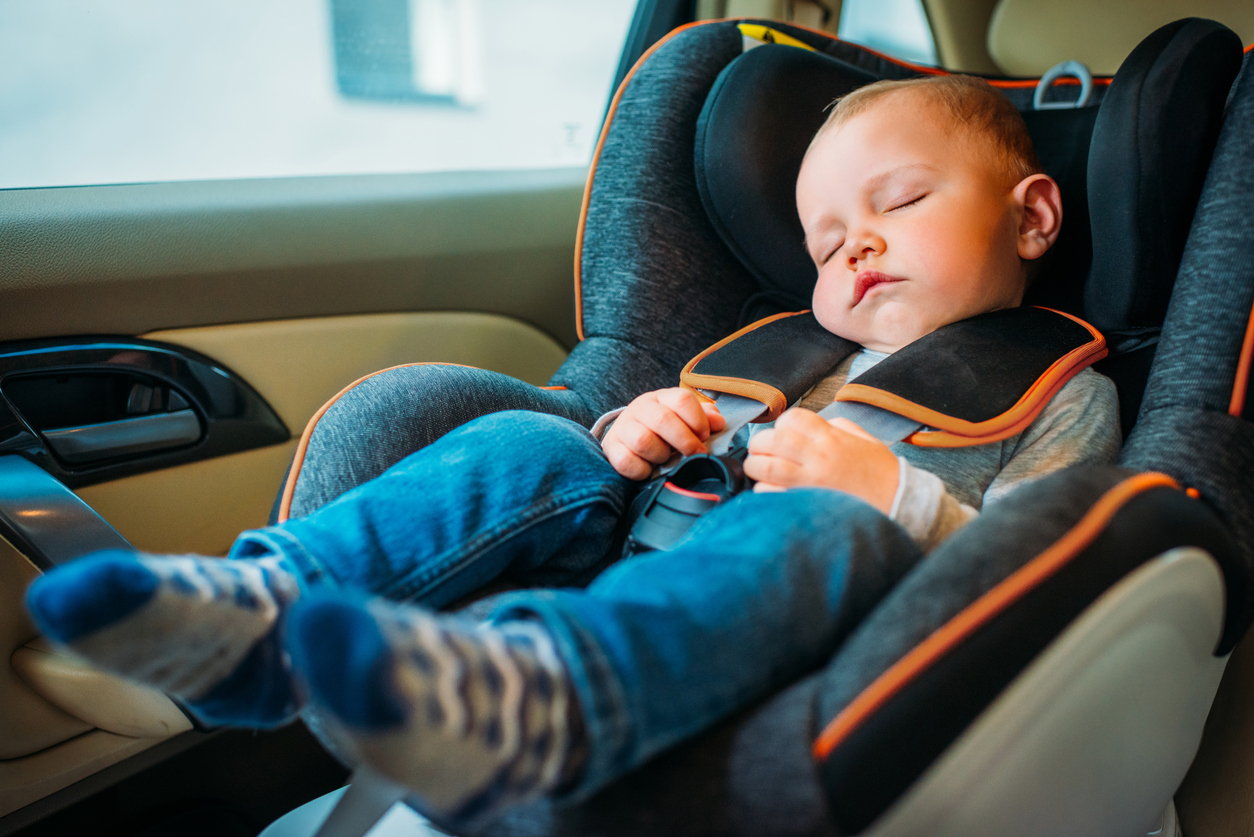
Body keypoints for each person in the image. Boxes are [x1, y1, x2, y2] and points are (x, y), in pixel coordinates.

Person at [25, 75, 1120, 823]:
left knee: (813, 524)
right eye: (829, 244)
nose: (860, 245)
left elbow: (1056, 580)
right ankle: (261, 617)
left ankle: (542, 699)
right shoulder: (779, 359)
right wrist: (628, 436)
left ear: (1031, 219)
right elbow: (619, 467)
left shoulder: (1061, 397)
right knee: (527, 443)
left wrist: (892, 495)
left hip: (829, 637)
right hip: (619, 571)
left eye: (905, 201)